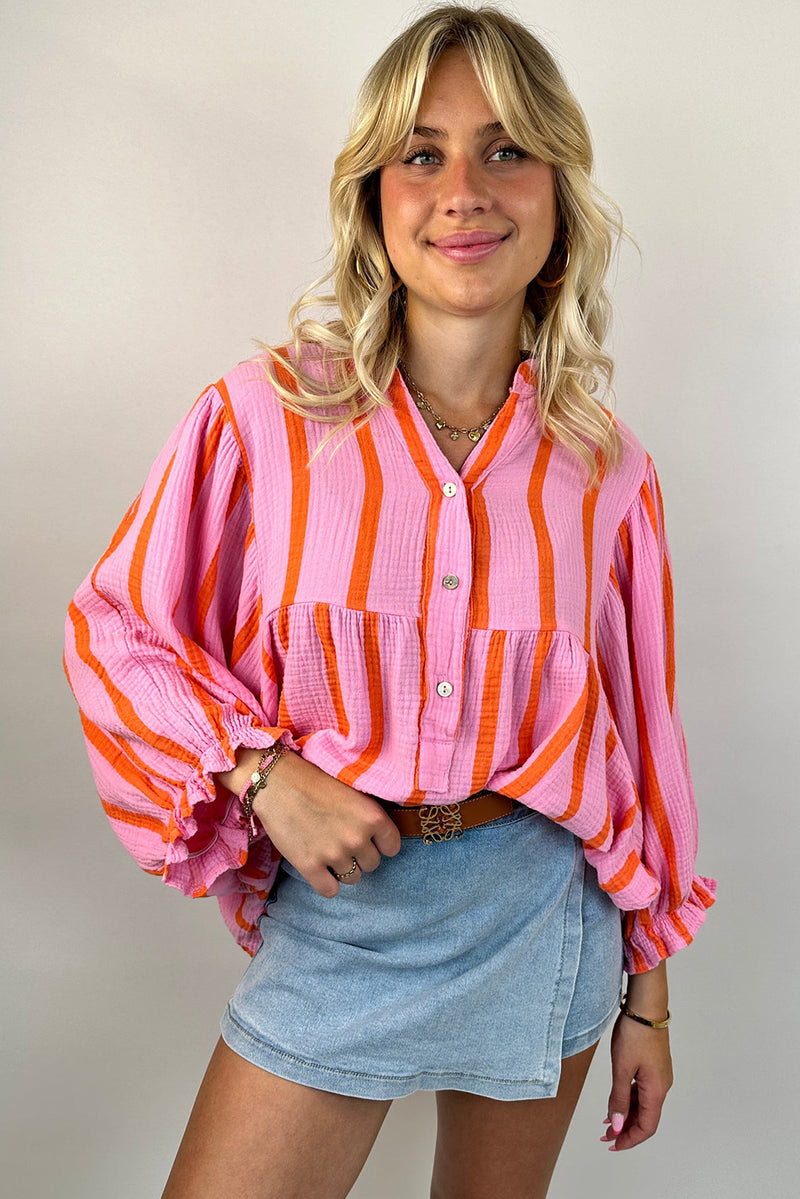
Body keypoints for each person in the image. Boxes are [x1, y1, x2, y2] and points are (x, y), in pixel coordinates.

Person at [63, 5, 717, 1197]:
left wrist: (650, 1000)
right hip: (346, 912)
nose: (464, 187)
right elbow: (116, 626)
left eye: (505, 148)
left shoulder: (606, 468)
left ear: (558, 195)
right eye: (421, 153)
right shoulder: (262, 416)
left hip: (544, 909)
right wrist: (260, 771)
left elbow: (639, 735)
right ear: (374, 197)